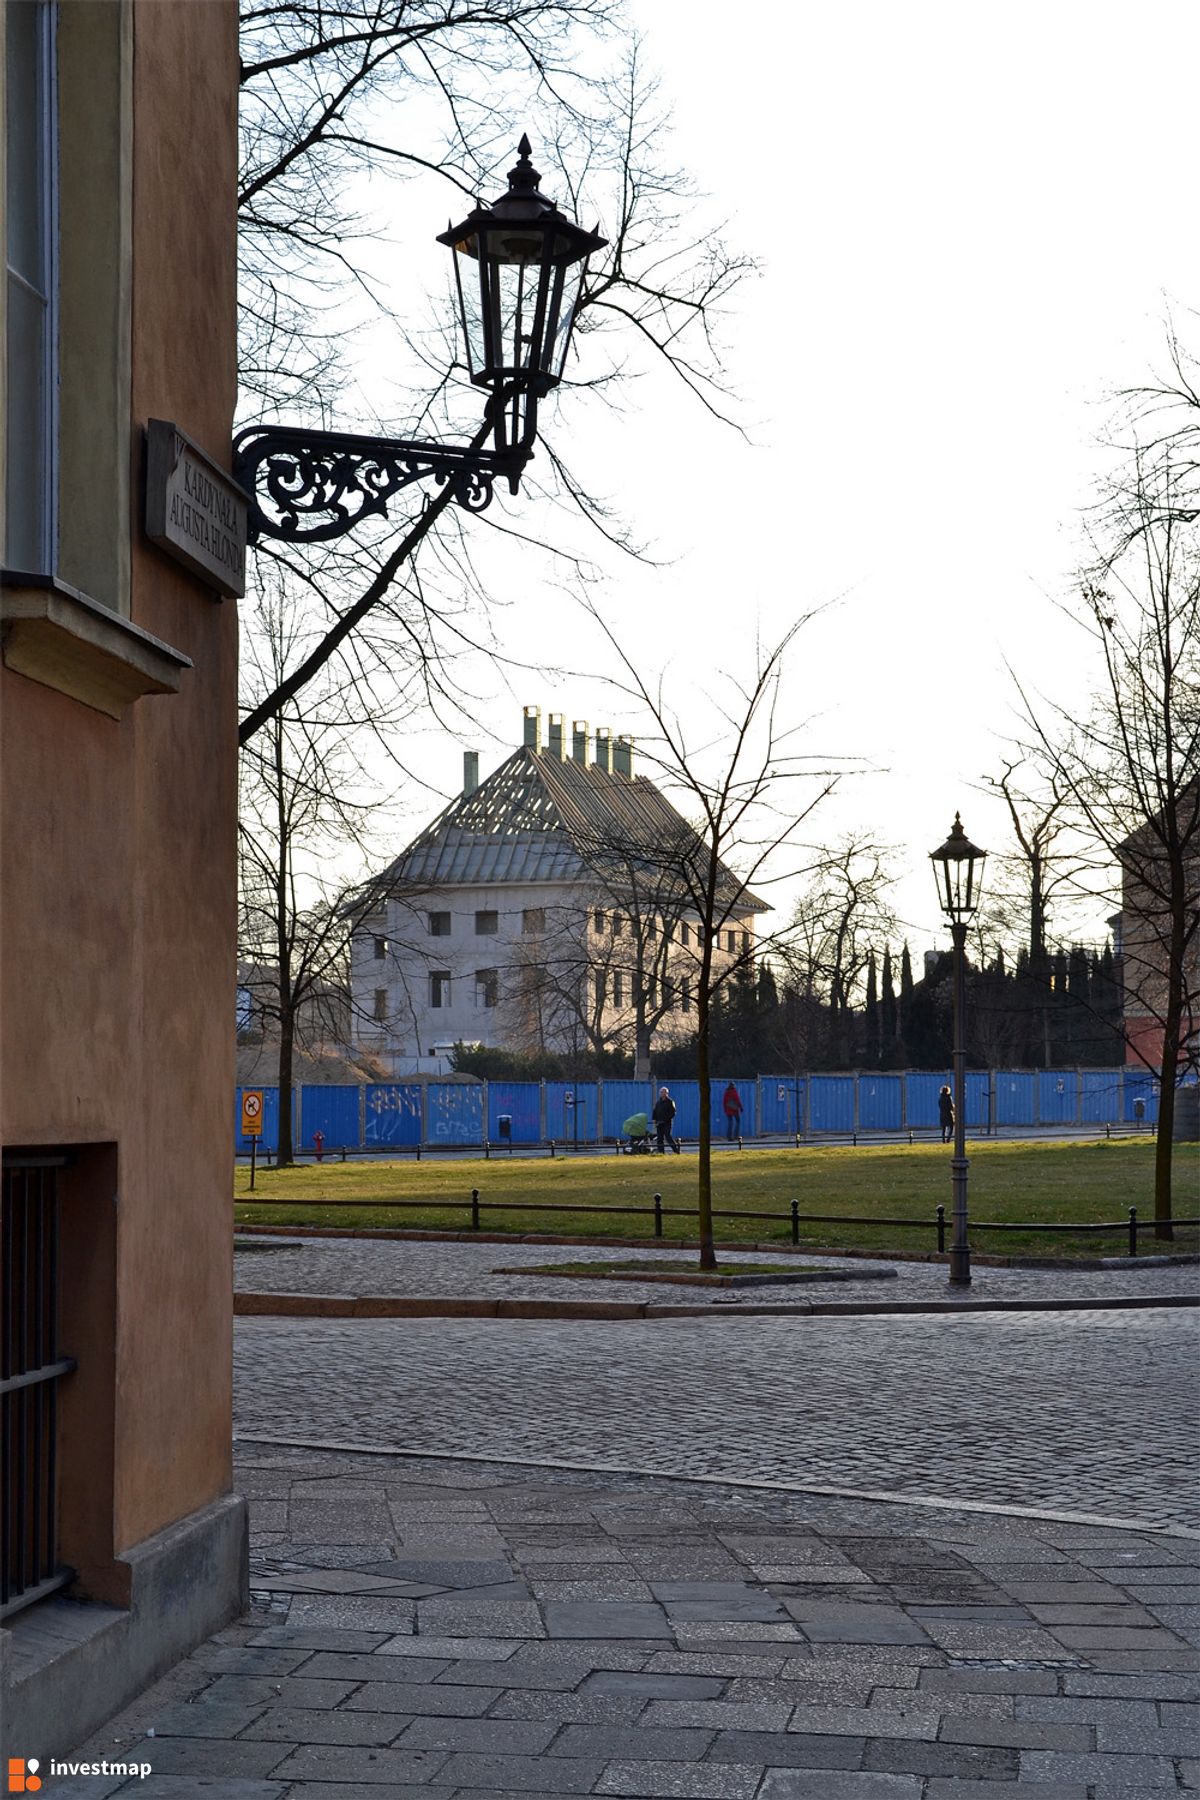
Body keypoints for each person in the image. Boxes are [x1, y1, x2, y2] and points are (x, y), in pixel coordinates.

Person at [652, 1085, 681, 1154]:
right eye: (661, 1092)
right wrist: (654, 1120)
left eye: (663, 1092)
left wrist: (667, 1119)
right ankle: (661, 1152)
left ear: (666, 1093)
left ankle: (676, 1150)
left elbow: (673, 1112)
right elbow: (655, 1111)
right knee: (659, 1138)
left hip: (667, 1123)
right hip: (659, 1123)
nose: (662, 1094)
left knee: (668, 1137)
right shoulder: (658, 1102)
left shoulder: (670, 1101)